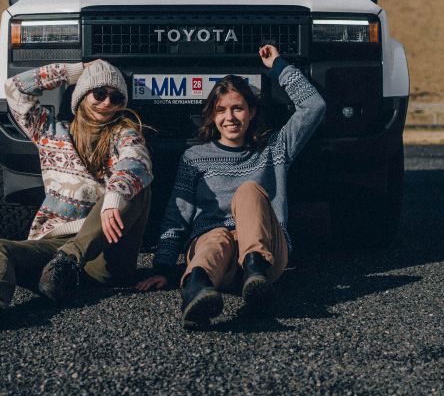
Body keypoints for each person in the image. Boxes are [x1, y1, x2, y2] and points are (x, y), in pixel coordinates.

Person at [0, 59, 153, 336]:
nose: (106, 103)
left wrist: (114, 197)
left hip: (103, 256)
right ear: (81, 94)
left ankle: (69, 262)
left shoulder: (124, 135)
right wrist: (76, 71)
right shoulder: (51, 133)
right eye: (99, 93)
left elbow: (135, 163)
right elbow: (15, 89)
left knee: (136, 186)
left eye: (115, 98)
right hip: (53, 252)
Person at [136, 44, 326, 328]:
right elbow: (177, 215)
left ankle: (253, 270)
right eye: (222, 110)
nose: (230, 117)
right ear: (213, 117)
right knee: (217, 238)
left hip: (267, 259)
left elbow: (314, 106)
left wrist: (278, 66)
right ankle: (196, 290)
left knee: (248, 191)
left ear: (251, 112)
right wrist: (163, 266)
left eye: (238, 108)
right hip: (217, 260)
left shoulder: (275, 149)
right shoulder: (194, 158)